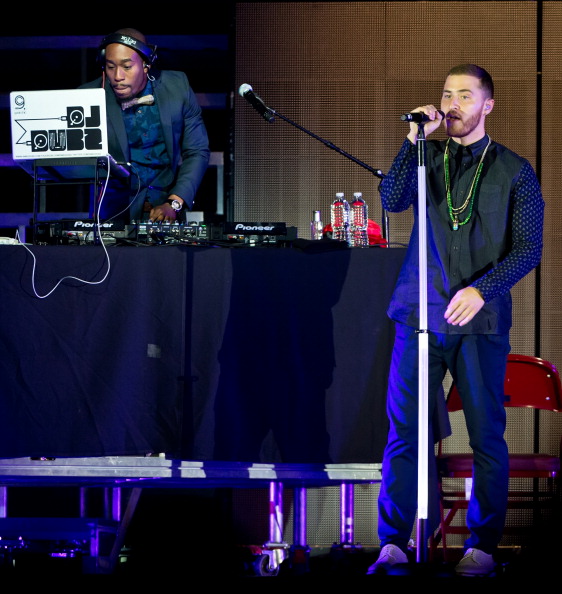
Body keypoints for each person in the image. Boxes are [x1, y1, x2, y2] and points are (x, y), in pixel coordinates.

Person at [367, 64, 544, 577]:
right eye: (447, 95)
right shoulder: (426, 154)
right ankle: (394, 544)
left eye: (465, 96)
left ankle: (482, 548)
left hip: (481, 321)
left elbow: (528, 249)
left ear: (487, 106)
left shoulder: (515, 169)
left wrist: (481, 288)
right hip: (418, 314)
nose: (452, 104)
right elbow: (394, 199)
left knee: (487, 434)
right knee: (405, 432)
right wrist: (411, 139)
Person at [80, 28, 210, 223]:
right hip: (111, 211)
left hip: (165, 208)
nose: (117, 76)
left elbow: (197, 151)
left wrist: (174, 202)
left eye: (127, 66)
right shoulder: (88, 95)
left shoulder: (177, 88)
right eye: (110, 66)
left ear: (146, 64)